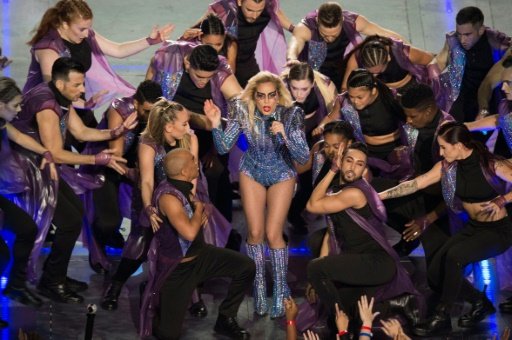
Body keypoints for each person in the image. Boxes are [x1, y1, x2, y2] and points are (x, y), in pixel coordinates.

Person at [12, 57, 129, 303]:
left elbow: (79, 131)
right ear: (60, 83)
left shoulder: (61, 97)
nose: (83, 90)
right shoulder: (46, 105)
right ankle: (49, 282)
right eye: (77, 85)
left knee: (75, 214)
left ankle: (56, 276)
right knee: (68, 222)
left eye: (82, 83)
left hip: (43, 166)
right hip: (28, 170)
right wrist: (98, 160)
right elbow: (54, 152)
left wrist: (114, 132)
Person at [379, 122, 512, 336]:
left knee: (455, 256)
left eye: (444, 147)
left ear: (458, 145)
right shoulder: (447, 167)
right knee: (434, 273)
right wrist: (377, 196)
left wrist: (503, 200)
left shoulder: (489, 163)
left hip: (498, 231)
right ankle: (480, 302)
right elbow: (416, 183)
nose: (440, 153)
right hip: (474, 228)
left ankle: (442, 315)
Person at [204, 71, 310, 318]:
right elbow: (222, 146)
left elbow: (303, 157)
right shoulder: (242, 109)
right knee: (254, 233)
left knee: (274, 233)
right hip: (251, 170)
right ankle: (260, 287)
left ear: (278, 95)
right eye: (261, 96)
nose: (266, 101)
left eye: (271, 96)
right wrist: (215, 124)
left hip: (282, 171)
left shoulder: (292, 113)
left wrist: (285, 133)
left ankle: (281, 288)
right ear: (253, 95)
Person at [139, 148, 255, 339]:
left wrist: (202, 207)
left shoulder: (182, 187)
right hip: (179, 270)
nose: (197, 164)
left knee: (246, 266)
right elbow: (190, 232)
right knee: (168, 335)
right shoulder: (169, 198)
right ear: (184, 172)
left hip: (201, 257)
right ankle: (154, 296)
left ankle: (225, 318)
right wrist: (200, 208)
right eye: (193, 162)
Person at [306, 142, 418, 335]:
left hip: (376, 262)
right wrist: (319, 273)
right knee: (345, 309)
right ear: (342, 161)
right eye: (349, 161)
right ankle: (387, 308)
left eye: (359, 164)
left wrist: (333, 169)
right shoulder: (339, 188)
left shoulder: (355, 193)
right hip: (359, 260)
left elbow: (312, 205)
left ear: (364, 169)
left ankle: (341, 321)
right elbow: (330, 233)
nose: (353, 167)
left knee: (315, 269)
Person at [101, 99, 200, 311]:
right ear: (168, 127)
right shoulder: (147, 142)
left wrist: (187, 203)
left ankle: (193, 296)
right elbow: (146, 180)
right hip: (151, 196)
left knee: (184, 244)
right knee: (141, 244)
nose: (188, 127)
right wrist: (148, 207)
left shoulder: (189, 139)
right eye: (184, 123)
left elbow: (193, 175)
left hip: (181, 196)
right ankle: (115, 286)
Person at [147, 43, 241, 223]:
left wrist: (217, 143)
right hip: (170, 131)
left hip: (208, 133)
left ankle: (220, 230)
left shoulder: (222, 74)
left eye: (208, 77)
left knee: (217, 175)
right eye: (199, 76)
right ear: (187, 63)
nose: (203, 82)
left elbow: (241, 110)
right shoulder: (167, 60)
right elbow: (149, 94)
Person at [82, 80, 163, 274]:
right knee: (108, 221)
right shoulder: (120, 110)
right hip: (108, 164)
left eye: (155, 110)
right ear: (136, 103)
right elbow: (116, 154)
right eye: (146, 110)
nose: (151, 116)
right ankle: (98, 248)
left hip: (137, 164)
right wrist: (134, 174)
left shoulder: (160, 112)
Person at [0, 77, 58, 326]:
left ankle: (16, 284)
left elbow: (20, 138)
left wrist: (46, 152)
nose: (20, 110)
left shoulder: (2, 123)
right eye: (15, 105)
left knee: (27, 229)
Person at [286, 2, 403, 90]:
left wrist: (406, 47)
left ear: (342, 20)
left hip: (342, 67)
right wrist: (292, 58)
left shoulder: (353, 21)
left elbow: (386, 34)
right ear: (317, 21)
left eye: (334, 35)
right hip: (315, 73)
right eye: (325, 35)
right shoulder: (305, 28)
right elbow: (295, 43)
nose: (330, 39)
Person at [318, 69, 409, 180]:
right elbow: (331, 117)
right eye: (352, 97)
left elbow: (409, 121)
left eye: (360, 97)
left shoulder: (391, 98)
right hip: (364, 151)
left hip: (393, 150)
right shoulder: (343, 100)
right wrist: (321, 126)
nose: (355, 101)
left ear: (373, 91)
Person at [428, 6, 511, 122]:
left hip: (492, 98)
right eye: (459, 34)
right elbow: (439, 63)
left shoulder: (497, 41)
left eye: (467, 35)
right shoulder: (453, 41)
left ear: (481, 30)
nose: (462, 40)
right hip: (462, 99)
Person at [282, 62, 337, 234]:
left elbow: (336, 110)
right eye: (294, 88)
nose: (299, 93)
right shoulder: (278, 90)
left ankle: (294, 214)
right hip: (285, 134)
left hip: (312, 134)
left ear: (312, 85)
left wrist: (322, 124)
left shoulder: (325, 86)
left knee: (309, 181)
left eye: (304, 89)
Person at [204, 0, 293, 87]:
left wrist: (294, 29)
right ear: (239, 2)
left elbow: (277, 12)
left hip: (248, 66)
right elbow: (205, 22)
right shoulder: (224, 10)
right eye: (249, 10)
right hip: (222, 66)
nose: (254, 16)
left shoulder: (268, 7)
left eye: (259, 11)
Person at [342, 35, 433, 93]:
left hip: (409, 91)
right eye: (371, 72)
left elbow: (432, 60)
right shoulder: (356, 58)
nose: (375, 76)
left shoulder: (403, 53)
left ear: (388, 58)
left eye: (379, 71)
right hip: (378, 94)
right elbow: (345, 87)